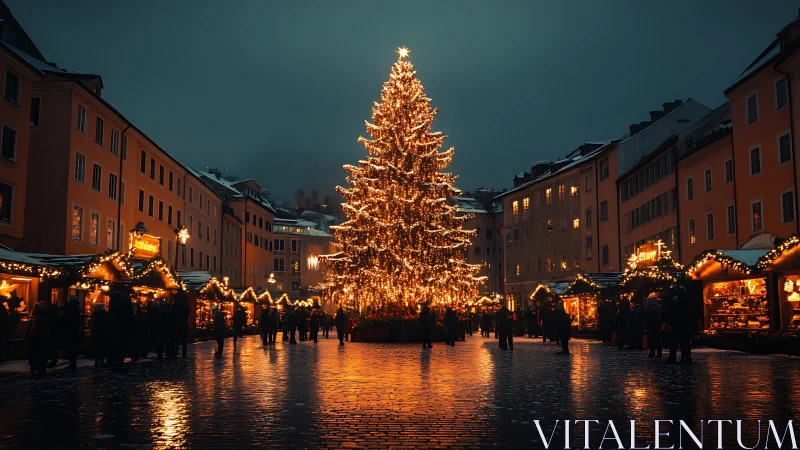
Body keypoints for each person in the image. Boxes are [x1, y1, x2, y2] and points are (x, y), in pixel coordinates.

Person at [27, 302, 51, 374]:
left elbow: (31, 326)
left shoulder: (34, 315)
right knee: (42, 352)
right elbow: (48, 327)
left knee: (34, 351)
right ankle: (41, 366)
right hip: (43, 337)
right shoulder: (46, 315)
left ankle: (34, 366)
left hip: (35, 336)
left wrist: (28, 335)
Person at [61, 296, 81, 369]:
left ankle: (72, 362)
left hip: (69, 330)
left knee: (70, 346)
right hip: (74, 330)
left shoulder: (69, 307)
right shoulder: (77, 308)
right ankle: (73, 361)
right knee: (73, 346)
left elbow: (66, 317)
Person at [90, 302, 108, 367]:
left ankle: (98, 360)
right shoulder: (105, 314)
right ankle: (100, 359)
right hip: (102, 333)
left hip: (98, 333)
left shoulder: (95, 315)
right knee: (101, 347)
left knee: (97, 347)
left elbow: (93, 325)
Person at [175, 290, 191, 358]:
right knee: (183, 340)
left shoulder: (176, 307)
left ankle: (176, 351)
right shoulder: (185, 308)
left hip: (178, 324)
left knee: (177, 338)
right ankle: (183, 353)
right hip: (183, 324)